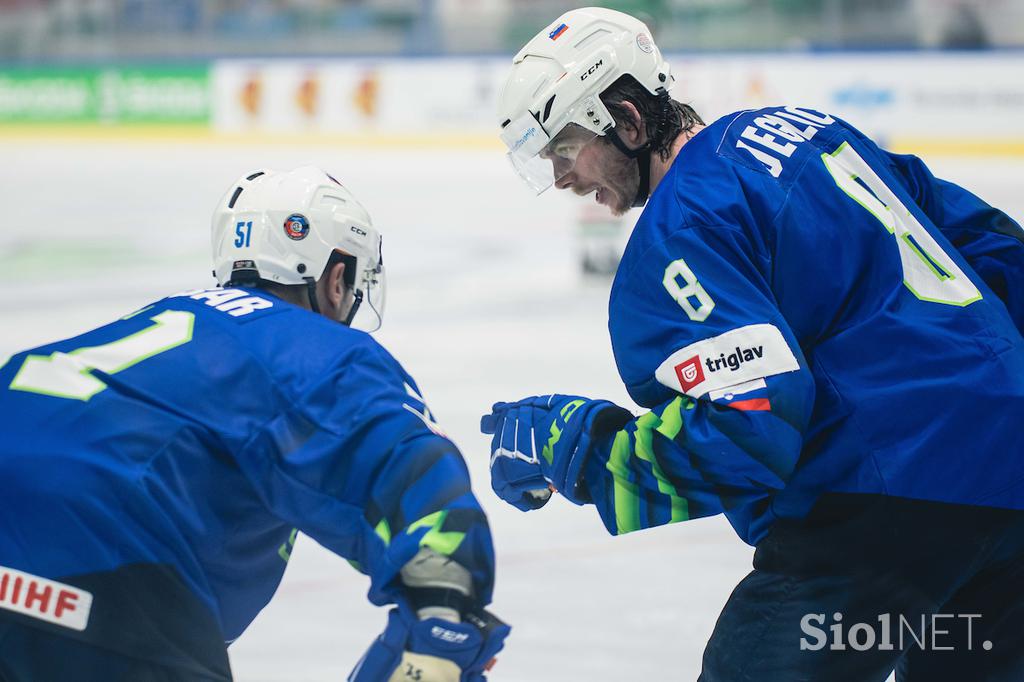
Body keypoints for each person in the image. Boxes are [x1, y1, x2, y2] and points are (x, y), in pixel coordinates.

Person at [483, 7, 1024, 681]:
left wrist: (587, 452)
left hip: (887, 506)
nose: (562, 179)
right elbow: (994, 247)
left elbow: (751, 422)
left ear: (625, 119)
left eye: (564, 150)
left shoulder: (682, 229)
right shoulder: (809, 130)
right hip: (1010, 486)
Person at [0, 166, 508, 682]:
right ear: (336, 279)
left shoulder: (165, 322)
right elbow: (412, 474)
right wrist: (444, 622)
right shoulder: (308, 347)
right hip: (101, 544)